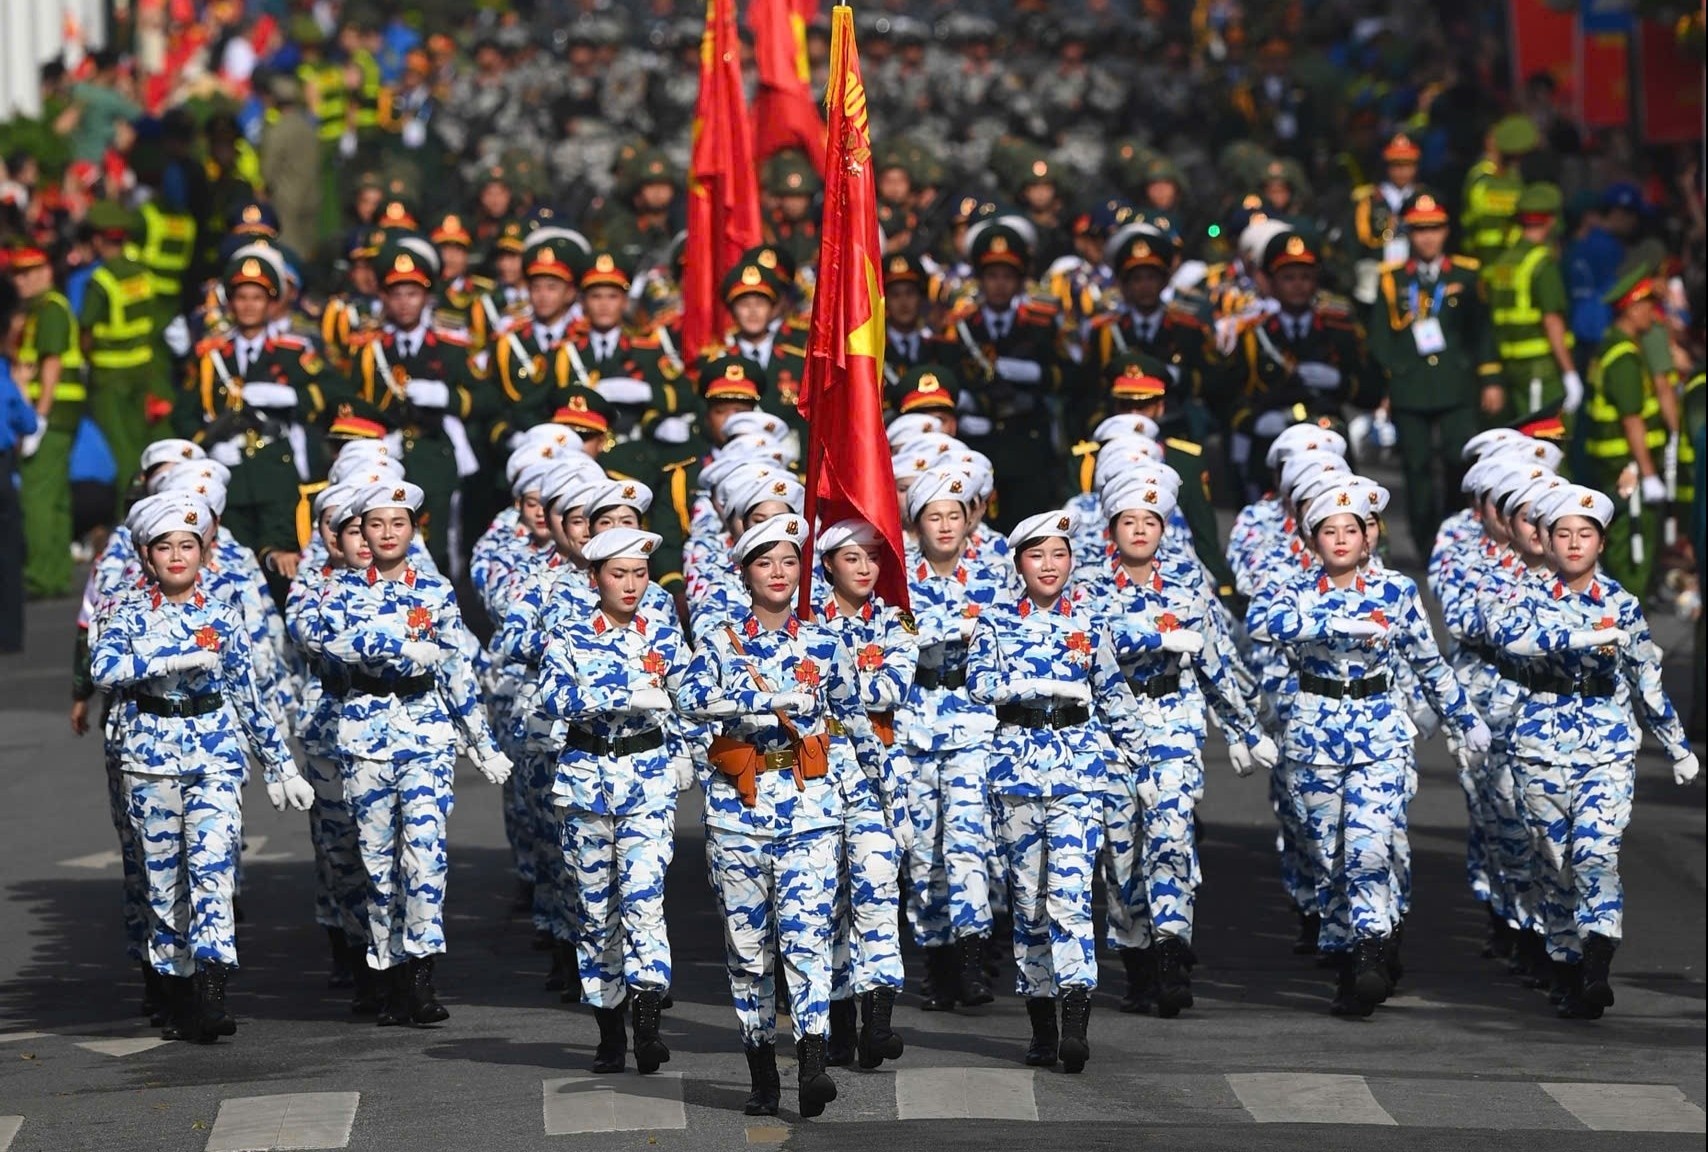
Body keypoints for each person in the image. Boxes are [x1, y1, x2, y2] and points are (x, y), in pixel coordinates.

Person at [1250, 482, 1489, 1017]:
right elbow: (1264, 625)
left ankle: (1371, 950)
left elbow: (1428, 662)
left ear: (1366, 538)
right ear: (1312, 540)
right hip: (1314, 733)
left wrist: (1464, 718)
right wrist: (1331, 620)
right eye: (1328, 531)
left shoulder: (1396, 592)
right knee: (1327, 854)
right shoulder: (1291, 589)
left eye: (1350, 531)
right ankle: (1343, 957)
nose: (1340, 539)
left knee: (1368, 849)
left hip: (1378, 730)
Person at [90, 494, 309, 1043]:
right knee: (164, 883)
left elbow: (246, 692)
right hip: (148, 756)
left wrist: (280, 765)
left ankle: (212, 990)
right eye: (164, 547)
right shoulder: (121, 607)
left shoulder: (222, 607)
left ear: (204, 552)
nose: (176, 556)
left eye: (187, 545)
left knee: (213, 871)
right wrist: (171, 660)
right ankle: (175, 986)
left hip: (213, 752)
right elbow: (104, 667)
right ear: (145, 553)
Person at [677, 515, 875, 1120]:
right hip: (740, 807)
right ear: (745, 575)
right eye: (765, 563)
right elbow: (687, 703)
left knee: (808, 938)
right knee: (747, 949)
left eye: (789, 562)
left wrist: (878, 799)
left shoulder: (824, 642)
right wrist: (762, 702)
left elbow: (855, 723)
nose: (779, 573)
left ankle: (812, 1061)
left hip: (810, 808)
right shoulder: (717, 642)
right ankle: (761, 1068)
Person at [296, 480, 512, 1026]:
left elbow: (455, 670)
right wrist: (394, 645)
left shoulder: (435, 591)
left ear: (414, 529)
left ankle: (420, 977)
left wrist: (481, 742)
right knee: (376, 862)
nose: (387, 533)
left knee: (424, 857)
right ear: (361, 533)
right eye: (375, 524)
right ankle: (384, 972)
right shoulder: (338, 591)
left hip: (426, 736)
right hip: (364, 736)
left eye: (398, 523)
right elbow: (324, 643)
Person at [1487, 484, 1698, 1019]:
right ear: (1547, 542)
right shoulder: (1524, 596)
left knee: (1595, 857)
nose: (1575, 544)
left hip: (1606, 747)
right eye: (1564, 534)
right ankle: (1565, 963)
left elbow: (1646, 682)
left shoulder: (1622, 606)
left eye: (1586, 534)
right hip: (1539, 746)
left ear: (1600, 543)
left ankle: (1597, 961)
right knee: (1553, 861)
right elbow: (1511, 641)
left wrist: (1676, 746)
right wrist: (1581, 639)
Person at [1085, 473, 1276, 1016]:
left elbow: (1213, 664)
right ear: (1113, 528)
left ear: (1164, 529)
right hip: (1110, 728)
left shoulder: (1188, 586)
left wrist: (1244, 730)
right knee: (1122, 855)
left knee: (1171, 838)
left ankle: (1172, 954)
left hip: (1171, 721)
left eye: (1150, 522)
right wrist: (1155, 637)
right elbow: (1092, 643)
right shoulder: (1089, 586)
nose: (1140, 530)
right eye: (1129, 522)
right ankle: (1138, 959)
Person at [965, 508, 1147, 1072]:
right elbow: (977, 684)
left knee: (1071, 895)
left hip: (1076, 772)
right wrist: (1024, 685)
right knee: (1028, 901)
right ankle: (1041, 1022)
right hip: (1016, 770)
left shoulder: (1090, 622)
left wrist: (1140, 763)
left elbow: (1115, 695)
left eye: (1059, 554)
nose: (1050, 565)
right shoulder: (995, 621)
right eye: (1037, 555)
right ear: (1019, 562)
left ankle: (1074, 1021)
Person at [537, 527, 692, 1075]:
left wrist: (687, 751)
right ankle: (609, 1029)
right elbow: (552, 697)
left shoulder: (664, 636)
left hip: (647, 779)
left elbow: (691, 697)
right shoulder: (571, 635)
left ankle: (648, 1023)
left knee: (645, 900)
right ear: (594, 577)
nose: (631, 585)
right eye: (618, 574)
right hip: (585, 783)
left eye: (640, 574)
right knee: (596, 913)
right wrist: (618, 695)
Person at [897, 467, 1004, 1011]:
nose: (944, 526)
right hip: (914, 724)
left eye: (953, 515)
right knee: (922, 853)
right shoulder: (898, 580)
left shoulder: (995, 575)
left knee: (968, 844)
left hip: (974, 724)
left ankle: (971, 962)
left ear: (969, 521)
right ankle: (935, 960)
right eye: (932, 516)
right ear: (915, 523)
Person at [811, 518, 916, 1069]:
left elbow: (893, 687)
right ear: (827, 563)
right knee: (826, 901)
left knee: (877, 894)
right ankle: (836, 1022)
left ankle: (878, 1023)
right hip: (816, 774)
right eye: (851, 558)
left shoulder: (896, 620)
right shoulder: (804, 620)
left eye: (873, 557)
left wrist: (826, 683)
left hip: (876, 774)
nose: (865, 568)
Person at [1368, 193, 1500, 560]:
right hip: (1410, 386)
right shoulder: (1392, 279)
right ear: (1409, 233)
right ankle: (1427, 541)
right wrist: (1388, 382)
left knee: (1461, 459)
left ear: (1446, 231)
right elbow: (1380, 336)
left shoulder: (1466, 274)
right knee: (1416, 465)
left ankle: (1456, 535)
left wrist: (1490, 379)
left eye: (1435, 229)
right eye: (1420, 229)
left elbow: (1481, 332)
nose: (1427, 237)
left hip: (1456, 384)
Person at [1582, 266, 1673, 598]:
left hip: (1617, 465)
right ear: (1634, 308)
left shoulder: (1614, 345)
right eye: (1649, 306)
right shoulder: (1624, 357)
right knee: (1632, 549)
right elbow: (1631, 419)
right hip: (1628, 469)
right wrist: (1648, 474)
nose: (1654, 314)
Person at [12, 245, 84, 599]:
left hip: (51, 412)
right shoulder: (41, 309)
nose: (20, 280)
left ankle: (40, 574)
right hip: (60, 412)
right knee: (54, 495)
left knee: (36, 494)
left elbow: (51, 364)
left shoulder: (50, 310)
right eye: (17, 273)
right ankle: (55, 571)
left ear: (46, 272)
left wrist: (38, 416)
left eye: (28, 272)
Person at [80, 203, 157, 515]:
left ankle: (124, 517)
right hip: (141, 368)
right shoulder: (142, 273)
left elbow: (85, 329)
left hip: (110, 375)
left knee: (117, 449)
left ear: (99, 240)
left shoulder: (102, 280)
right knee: (139, 442)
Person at [1485, 183, 1581, 424]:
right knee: (1545, 445)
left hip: (1513, 370)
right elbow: (1552, 322)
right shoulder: (1541, 264)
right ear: (1550, 221)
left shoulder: (1504, 262)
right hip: (1541, 372)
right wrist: (1569, 373)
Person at [1, 277, 38, 650]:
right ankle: (9, 635)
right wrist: (23, 384)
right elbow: (26, 423)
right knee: (8, 551)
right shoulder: (3, 373)